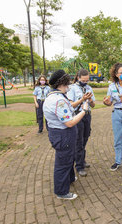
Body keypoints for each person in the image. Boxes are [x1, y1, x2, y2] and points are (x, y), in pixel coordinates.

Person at [43, 70, 89, 200]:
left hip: (59, 134)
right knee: (63, 163)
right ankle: (61, 191)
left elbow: (69, 110)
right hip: (64, 135)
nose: (69, 83)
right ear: (62, 82)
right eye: (67, 81)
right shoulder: (59, 100)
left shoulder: (55, 96)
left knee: (68, 158)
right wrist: (84, 110)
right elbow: (69, 122)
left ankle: (69, 178)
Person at [67, 69, 95, 177]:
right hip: (77, 115)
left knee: (85, 137)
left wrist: (90, 100)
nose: (85, 82)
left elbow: (93, 105)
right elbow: (71, 105)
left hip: (87, 115)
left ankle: (82, 159)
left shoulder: (88, 88)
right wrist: (82, 99)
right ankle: (79, 166)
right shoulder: (72, 88)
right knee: (79, 140)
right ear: (78, 78)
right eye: (83, 80)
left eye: (87, 80)